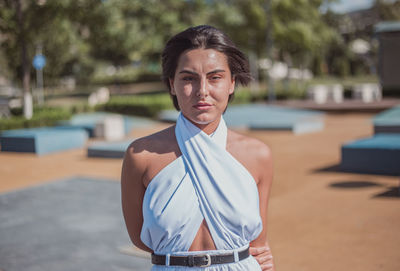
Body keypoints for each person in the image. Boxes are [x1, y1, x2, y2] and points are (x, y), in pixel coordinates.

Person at [121, 25, 275, 270]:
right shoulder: (141, 156)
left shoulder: (258, 155)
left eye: (215, 77)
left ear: (232, 83)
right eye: (188, 78)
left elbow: (258, 243)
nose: (202, 91)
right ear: (172, 84)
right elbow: (140, 239)